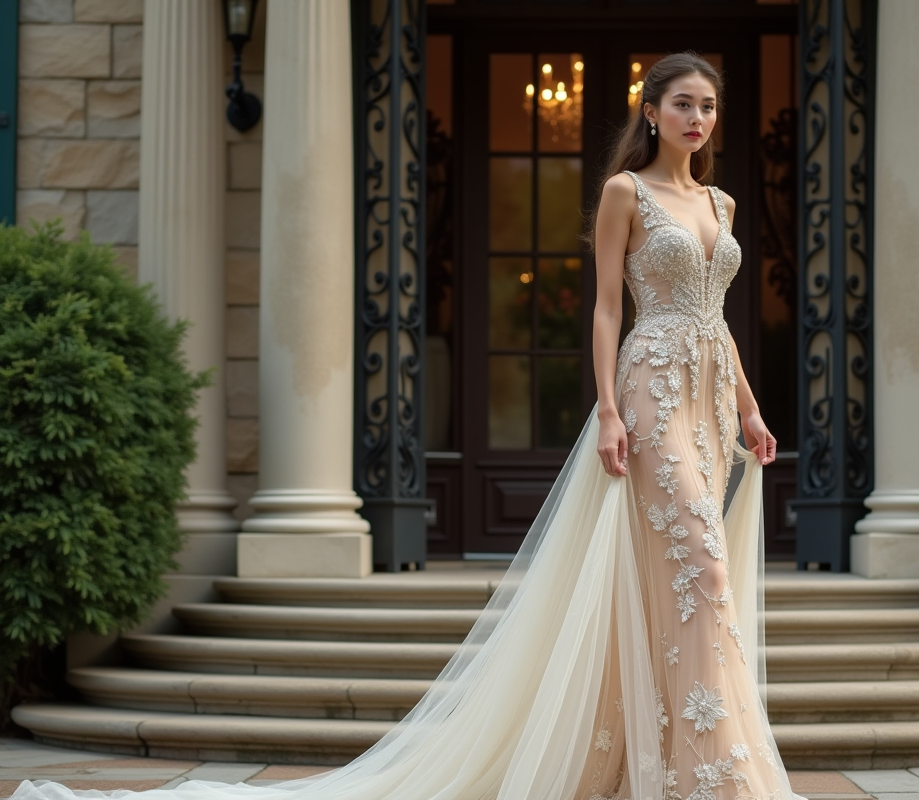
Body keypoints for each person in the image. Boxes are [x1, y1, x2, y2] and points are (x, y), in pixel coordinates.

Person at [12, 51, 803, 800]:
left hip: (707, 395)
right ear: (653, 111)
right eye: (683, 104)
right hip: (650, 387)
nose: (697, 117)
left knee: (687, 579)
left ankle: (674, 761)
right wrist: (604, 408)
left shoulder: (721, 203)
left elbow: (717, 318)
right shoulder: (627, 193)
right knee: (700, 558)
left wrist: (749, 406)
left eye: (707, 106)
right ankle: (714, 771)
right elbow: (604, 308)